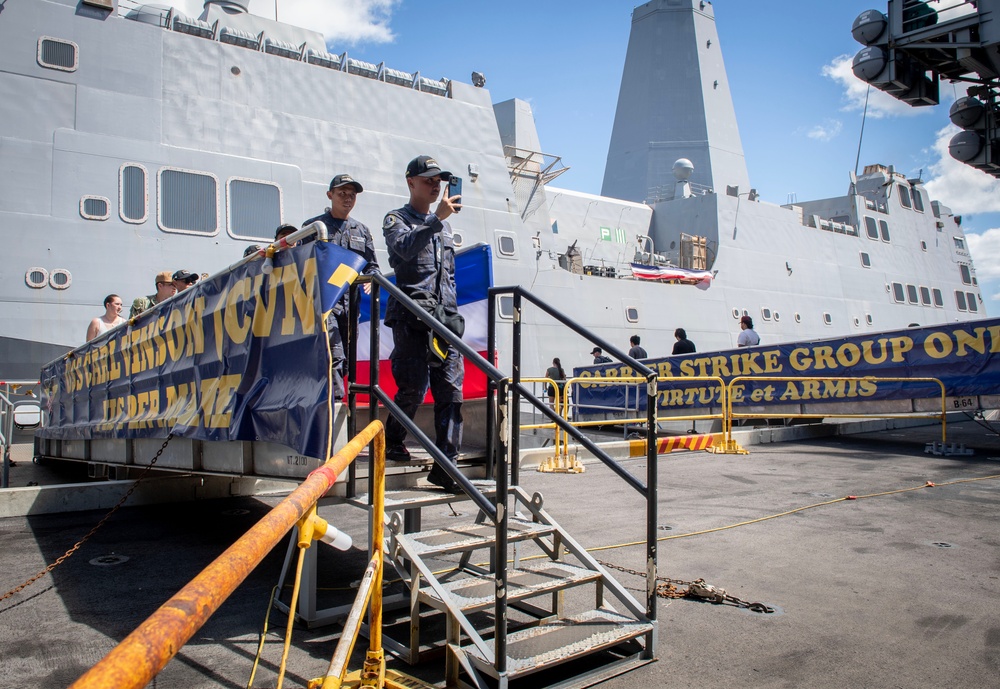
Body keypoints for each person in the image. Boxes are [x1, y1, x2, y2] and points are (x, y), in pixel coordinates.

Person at [382, 155, 463, 492]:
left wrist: (453, 316)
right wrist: (434, 221)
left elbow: (448, 276)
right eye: (428, 179)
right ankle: (392, 440)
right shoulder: (396, 219)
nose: (435, 185)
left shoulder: (443, 227)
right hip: (412, 318)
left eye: (439, 180)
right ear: (410, 182)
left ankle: (447, 467)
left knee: (451, 389)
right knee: (413, 387)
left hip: (443, 320)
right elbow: (401, 251)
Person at [303, 173, 381, 400]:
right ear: (330, 195)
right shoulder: (313, 228)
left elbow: (372, 265)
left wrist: (371, 280)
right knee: (333, 354)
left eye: (352, 195)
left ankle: (333, 403)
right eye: (342, 194)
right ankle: (336, 411)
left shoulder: (361, 230)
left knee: (347, 360)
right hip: (325, 304)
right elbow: (301, 265)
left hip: (351, 306)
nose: (347, 199)